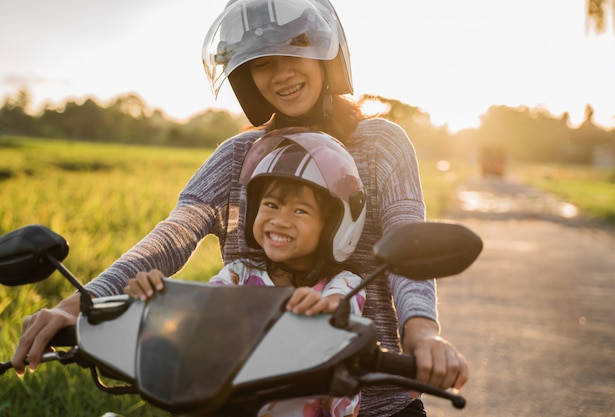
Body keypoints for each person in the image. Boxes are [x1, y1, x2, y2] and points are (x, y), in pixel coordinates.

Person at [13, 1, 468, 416]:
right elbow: (174, 234)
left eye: (295, 51)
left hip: (371, 396)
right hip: (246, 393)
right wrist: (79, 304)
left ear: (328, 55)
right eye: (262, 62)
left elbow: (408, 243)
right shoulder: (236, 155)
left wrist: (422, 334)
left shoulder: (381, 144)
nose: (281, 73)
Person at [124, 129, 367, 417]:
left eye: (300, 211)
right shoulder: (238, 273)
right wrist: (158, 297)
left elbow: (341, 309)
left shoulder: (344, 283)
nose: (279, 220)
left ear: (333, 227)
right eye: (271, 205)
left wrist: (326, 312)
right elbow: (205, 308)